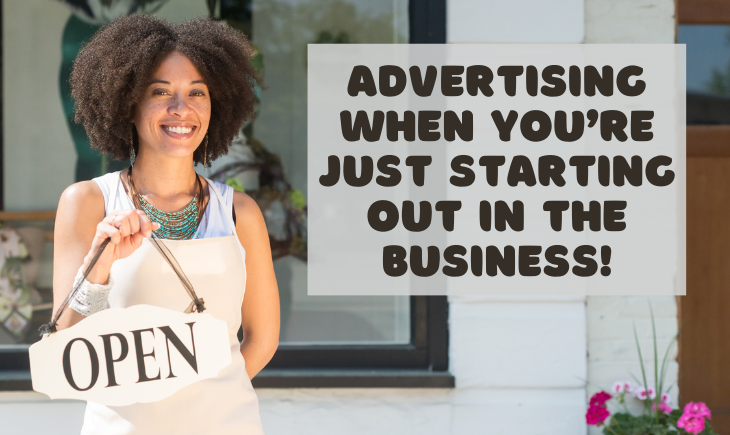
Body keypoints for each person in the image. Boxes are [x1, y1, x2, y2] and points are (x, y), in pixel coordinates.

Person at [51, 14, 279, 435]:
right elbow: (66, 346)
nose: (182, 109)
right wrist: (99, 266)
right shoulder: (87, 203)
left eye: (197, 92)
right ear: (128, 104)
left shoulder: (240, 213)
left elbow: (262, 340)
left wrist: (201, 402)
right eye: (160, 92)